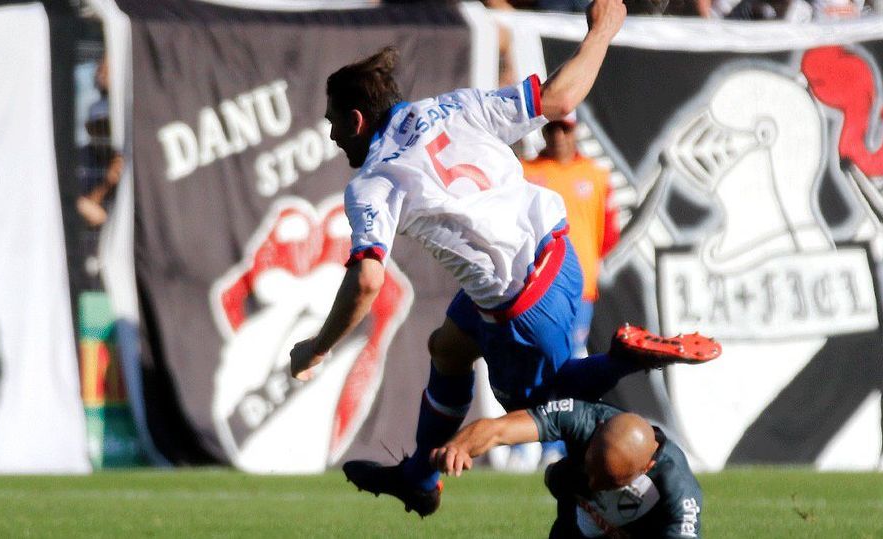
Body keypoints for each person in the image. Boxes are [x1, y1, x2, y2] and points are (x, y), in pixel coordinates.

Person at [289, 0, 717, 517]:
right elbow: (560, 98)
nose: (333, 135)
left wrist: (317, 347)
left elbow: (367, 280)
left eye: (334, 122)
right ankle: (419, 478)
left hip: (523, 304)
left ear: (357, 120)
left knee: (545, 412)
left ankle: (625, 358)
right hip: (557, 256)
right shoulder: (452, 107)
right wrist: (604, 30)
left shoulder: (373, 182)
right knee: (447, 348)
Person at [432, 399, 703, 538]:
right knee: (560, 479)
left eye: (608, 482)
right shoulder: (583, 418)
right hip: (576, 523)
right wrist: (459, 446)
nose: (595, 486)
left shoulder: (679, 494)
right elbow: (499, 430)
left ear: (648, 467)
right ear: (595, 434)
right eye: (591, 467)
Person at [522, 111, 619, 358]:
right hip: (537, 287)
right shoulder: (524, 172)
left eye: (564, 129)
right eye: (551, 128)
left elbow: (609, 235)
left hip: (580, 287)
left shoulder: (597, 175)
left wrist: (581, 260)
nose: (557, 136)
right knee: (537, 358)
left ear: (575, 130)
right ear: (543, 131)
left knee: (573, 357)